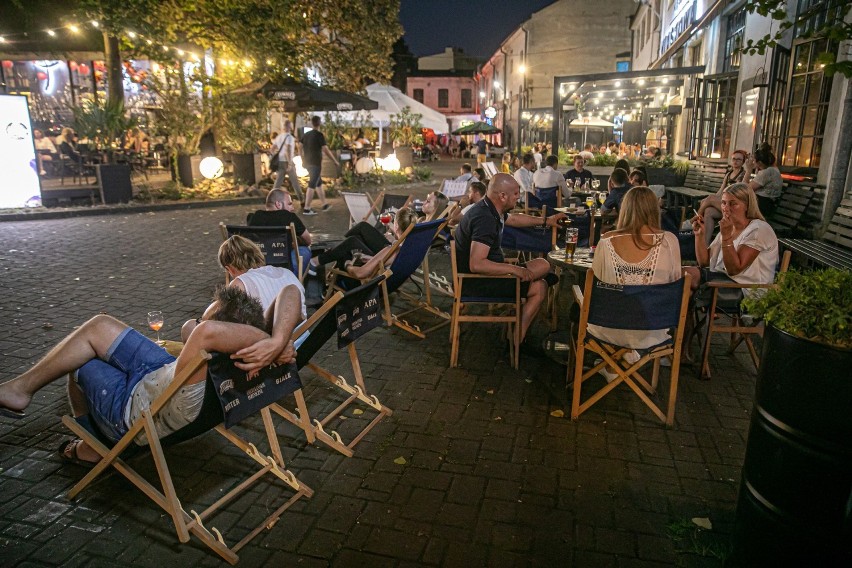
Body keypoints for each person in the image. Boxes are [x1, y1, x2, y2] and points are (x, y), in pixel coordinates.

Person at [0, 285, 301, 464]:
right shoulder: (256, 346)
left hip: (142, 406)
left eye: (205, 317)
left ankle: (93, 444)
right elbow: (291, 291)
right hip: (164, 375)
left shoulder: (214, 344)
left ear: (225, 333)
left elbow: (203, 330)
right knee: (98, 325)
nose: (198, 323)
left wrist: (270, 342)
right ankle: (20, 388)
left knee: (78, 363)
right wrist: (276, 340)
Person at [454, 173, 566, 344]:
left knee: (543, 264)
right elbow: (476, 264)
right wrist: (515, 269)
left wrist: (546, 220)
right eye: (515, 193)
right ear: (502, 196)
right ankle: (515, 340)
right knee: (540, 287)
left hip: (490, 275)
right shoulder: (485, 219)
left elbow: (514, 219)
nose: (518, 196)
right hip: (478, 282)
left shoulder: (490, 209)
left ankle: (515, 321)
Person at [588, 186, 682, 360]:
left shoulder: (606, 240)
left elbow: (597, 284)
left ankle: (610, 363)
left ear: (625, 209)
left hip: (607, 328)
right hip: (653, 329)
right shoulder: (670, 241)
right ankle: (627, 360)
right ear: (655, 209)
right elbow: (675, 284)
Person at [684, 182, 779, 297]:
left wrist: (726, 237)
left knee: (684, 275)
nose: (726, 208)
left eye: (733, 204)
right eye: (723, 203)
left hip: (746, 291)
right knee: (682, 284)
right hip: (721, 281)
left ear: (747, 205)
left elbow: (734, 269)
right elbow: (704, 262)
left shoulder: (759, 230)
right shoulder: (731, 227)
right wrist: (699, 235)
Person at [307, 207, 419, 280]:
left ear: (397, 226)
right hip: (387, 261)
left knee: (353, 241)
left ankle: (320, 259)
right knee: (361, 229)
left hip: (380, 275)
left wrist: (348, 265)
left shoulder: (392, 250)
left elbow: (361, 273)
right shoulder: (415, 243)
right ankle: (330, 253)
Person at [247, 189, 312, 275]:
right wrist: (294, 242)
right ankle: (291, 282)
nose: (292, 208)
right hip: (284, 268)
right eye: (289, 204)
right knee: (305, 250)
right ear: (278, 204)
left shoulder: (253, 217)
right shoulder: (288, 217)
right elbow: (308, 241)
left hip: (259, 267)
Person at [694, 149, 748, 246]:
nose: (735, 161)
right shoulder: (728, 174)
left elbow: (739, 192)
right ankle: (705, 245)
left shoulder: (743, 175)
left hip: (733, 205)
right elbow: (720, 191)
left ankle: (695, 219)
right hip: (724, 204)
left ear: (743, 162)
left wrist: (710, 199)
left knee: (709, 198)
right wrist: (709, 200)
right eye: (734, 159)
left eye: (739, 159)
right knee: (708, 211)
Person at [300, 115, 338, 215]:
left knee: (318, 183)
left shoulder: (306, 135)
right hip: (315, 163)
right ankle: (307, 209)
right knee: (312, 184)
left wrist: (302, 158)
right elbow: (325, 150)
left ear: (312, 123)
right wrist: (334, 160)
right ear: (319, 123)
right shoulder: (319, 135)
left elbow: (299, 146)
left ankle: (324, 204)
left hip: (307, 162)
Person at [745, 143, 783, 214]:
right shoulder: (773, 170)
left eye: (754, 160)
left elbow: (744, 189)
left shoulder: (767, 172)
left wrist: (748, 170)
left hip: (763, 205)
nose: (752, 162)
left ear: (759, 162)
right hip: (764, 204)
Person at [270, 119, 303, 202]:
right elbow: (288, 150)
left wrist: (273, 157)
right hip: (287, 162)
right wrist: (289, 164)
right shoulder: (290, 137)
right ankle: (302, 200)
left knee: (278, 182)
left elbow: (272, 149)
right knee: (295, 182)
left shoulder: (279, 137)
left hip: (280, 162)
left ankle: (271, 199)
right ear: (289, 127)